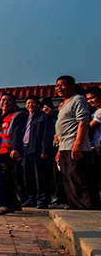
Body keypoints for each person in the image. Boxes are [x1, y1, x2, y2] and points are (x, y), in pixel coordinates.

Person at [54, 76, 99, 209]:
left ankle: (86, 206)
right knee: (67, 178)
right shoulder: (63, 104)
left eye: (63, 85)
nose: (59, 88)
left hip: (75, 146)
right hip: (63, 146)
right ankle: (74, 205)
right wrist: (58, 150)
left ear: (72, 86)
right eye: (57, 86)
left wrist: (78, 144)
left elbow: (83, 122)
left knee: (78, 178)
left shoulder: (78, 99)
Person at [10, 96, 54, 209]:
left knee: (40, 176)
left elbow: (46, 134)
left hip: (37, 149)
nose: (30, 105)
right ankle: (30, 199)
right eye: (28, 103)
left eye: (33, 103)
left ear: (38, 104)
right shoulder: (23, 117)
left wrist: (45, 150)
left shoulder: (43, 116)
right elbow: (18, 134)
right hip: (25, 149)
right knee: (27, 175)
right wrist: (17, 149)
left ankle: (42, 200)